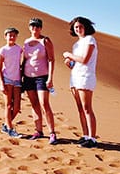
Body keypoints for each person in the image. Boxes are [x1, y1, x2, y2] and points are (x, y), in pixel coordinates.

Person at [63, 16, 98, 148]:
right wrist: (69, 63)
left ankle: (92, 138)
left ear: (86, 27)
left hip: (86, 77)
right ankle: (85, 135)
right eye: (76, 27)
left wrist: (68, 54)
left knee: (87, 108)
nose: (78, 29)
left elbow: (84, 59)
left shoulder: (90, 40)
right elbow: (76, 63)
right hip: (75, 77)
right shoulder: (76, 44)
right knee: (80, 109)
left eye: (80, 26)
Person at [22, 17, 58, 144]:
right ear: (29, 27)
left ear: (41, 28)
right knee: (34, 104)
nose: (34, 28)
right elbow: (25, 59)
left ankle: (52, 133)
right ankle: (38, 130)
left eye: (37, 26)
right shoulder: (26, 42)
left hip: (42, 77)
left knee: (44, 103)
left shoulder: (45, 41)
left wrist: (50, 78)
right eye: (32, 26)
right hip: (28, 77)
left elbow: (52, 59)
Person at [0, 27, 24, 137]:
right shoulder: (2, 50)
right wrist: (1, 83)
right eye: (10, 35)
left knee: (17, 107)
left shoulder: (19, 49)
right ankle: (10, 129)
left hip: (17, 80)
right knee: (8, 105)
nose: (12, 37)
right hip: (7, 79)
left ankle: (6, 125)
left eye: (14, 35)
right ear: (5, 36)